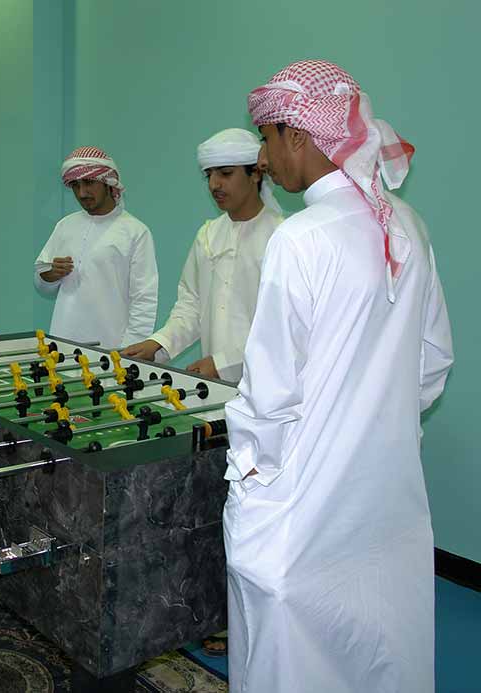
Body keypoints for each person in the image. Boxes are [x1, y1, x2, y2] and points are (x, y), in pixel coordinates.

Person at [223, 60, 453, 693]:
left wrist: (249, 482)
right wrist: (375, 424)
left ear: (298, 136)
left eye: (266, 139)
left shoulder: (301, 237)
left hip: (304, 505)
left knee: (292, 657)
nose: (264, 159)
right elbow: (433, 360)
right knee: (380, 644)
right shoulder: (410, 226)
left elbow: (268, 396)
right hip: (384, 500)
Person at [122, 129, 283, 382]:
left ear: (255, 173)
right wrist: (158, 344)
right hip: (213, 385)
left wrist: (224, 364)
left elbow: (282, 327)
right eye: (208, 175)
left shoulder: (282, 238)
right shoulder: (208, 236)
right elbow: (191, 306)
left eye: (225, 174)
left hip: (269, 387)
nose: (213, 185)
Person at [35, 146, 158, 348]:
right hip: (62, 347)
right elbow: (42, 283)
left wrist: (130, 351)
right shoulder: (65, 226)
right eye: (75, 185)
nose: (82, 193)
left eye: (89, 183)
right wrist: (50, 275)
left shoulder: (135, 232)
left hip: (111, 352)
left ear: (109, 183)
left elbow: (144, 300)